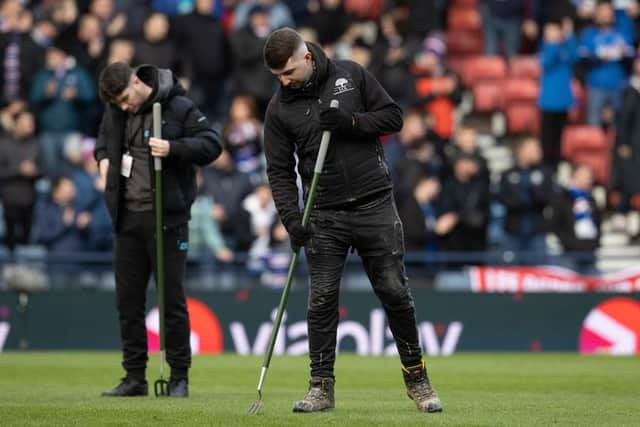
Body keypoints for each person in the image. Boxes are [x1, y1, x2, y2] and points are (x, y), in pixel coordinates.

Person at [262, 27, 442, 414]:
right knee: (321, 301)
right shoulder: (279, 108)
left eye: (289, 72)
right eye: (277, 76)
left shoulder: (352, 74)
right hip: (322, 214)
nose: (284, 81)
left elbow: (394, 117)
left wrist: (353, 122)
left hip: (375, 204)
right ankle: (320, 388)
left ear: (307, 57)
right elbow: (278, 170)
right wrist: (291, 218)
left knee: (395, 292)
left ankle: (418, 380)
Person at [94, 61, 221, 397]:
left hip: (168, 219)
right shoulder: (115, 109)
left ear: (137, 81)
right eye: (117, 103)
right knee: (128, 302)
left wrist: (174, 148)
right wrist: (103, 160)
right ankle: (134, 377)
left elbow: (212, 144)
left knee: (171, 301)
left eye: (125, 98)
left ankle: (179, 377)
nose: (123, 106)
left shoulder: (177, 106)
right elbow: (104, 141)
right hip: (126, 219)